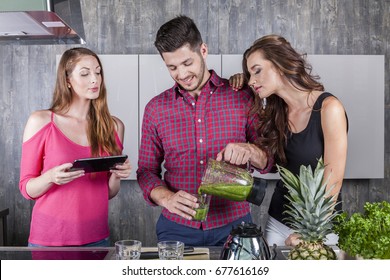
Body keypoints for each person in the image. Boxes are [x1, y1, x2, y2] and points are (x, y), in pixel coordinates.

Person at [137, 15, 272, 246]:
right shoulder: (155, 109)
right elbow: (146, 171)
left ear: (203, 50)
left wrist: (250, 150)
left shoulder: (242, 96)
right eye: (172, 67)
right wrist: (166, 198)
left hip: (235, 225)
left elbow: (268, 160)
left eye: (187, 63)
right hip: (176, 228)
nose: (181, 74)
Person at [230, 35, 348, 247]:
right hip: (278, 223)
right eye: (249, 74)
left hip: (322, 228)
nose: (252, 80)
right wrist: (242, 81)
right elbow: (271, 163)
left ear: (280, 64)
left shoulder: (329, 109)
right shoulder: (276, 112)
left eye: (257, 70)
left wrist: (310, 236)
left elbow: (333, 183)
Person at [19, 47, 131, 247]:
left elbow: (108, 192)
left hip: (97, 238)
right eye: (85, 73)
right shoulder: (42, 121)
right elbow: (27, 189)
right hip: (49, 239)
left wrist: (116, 175)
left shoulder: (114, 127)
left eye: (97, 72)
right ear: (67, 80)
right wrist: (51, 177)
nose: (95, 79)